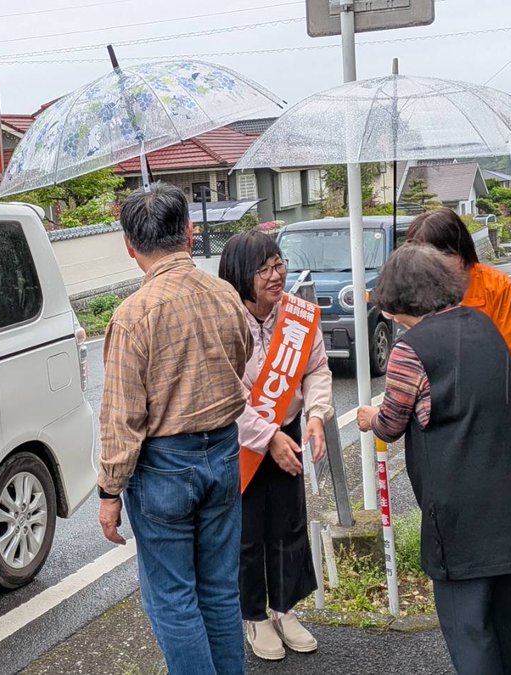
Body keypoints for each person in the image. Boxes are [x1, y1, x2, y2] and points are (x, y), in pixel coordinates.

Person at [356, 244, 511, 675]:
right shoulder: (484, 325)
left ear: (398, 298)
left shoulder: (411, 350)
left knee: (470, 629)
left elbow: (391, 423)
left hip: (463, 516)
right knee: (505, 619)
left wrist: (369, 416)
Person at [97, 183, 252, 675]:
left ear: (129, 244)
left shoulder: (131, 316)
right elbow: (243, 355)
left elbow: (122, 416)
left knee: (173, 597)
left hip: (163, 466)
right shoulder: (224, 293)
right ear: (189, 232)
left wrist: (108, 491)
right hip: (224, 452)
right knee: (220, 590)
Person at [217, 231, 333, 661]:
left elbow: (317, 368)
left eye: (278, 263)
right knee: (247, 533)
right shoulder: (224, 320)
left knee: (289, 524)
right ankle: (253, 615)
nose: (275, 275)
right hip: (243, 441)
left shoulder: (299, 316)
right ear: (239, 276)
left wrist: (317, 415)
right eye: (263, 269)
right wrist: (267, 438)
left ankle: (285, 609)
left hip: (289, 426)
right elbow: (225, 391)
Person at [405, 208, 511, 435]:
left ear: (459, 251)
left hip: (508, 414)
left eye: (436, 257)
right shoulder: (423, 291)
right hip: (453, 418)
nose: (429, 266)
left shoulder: (500, 289)